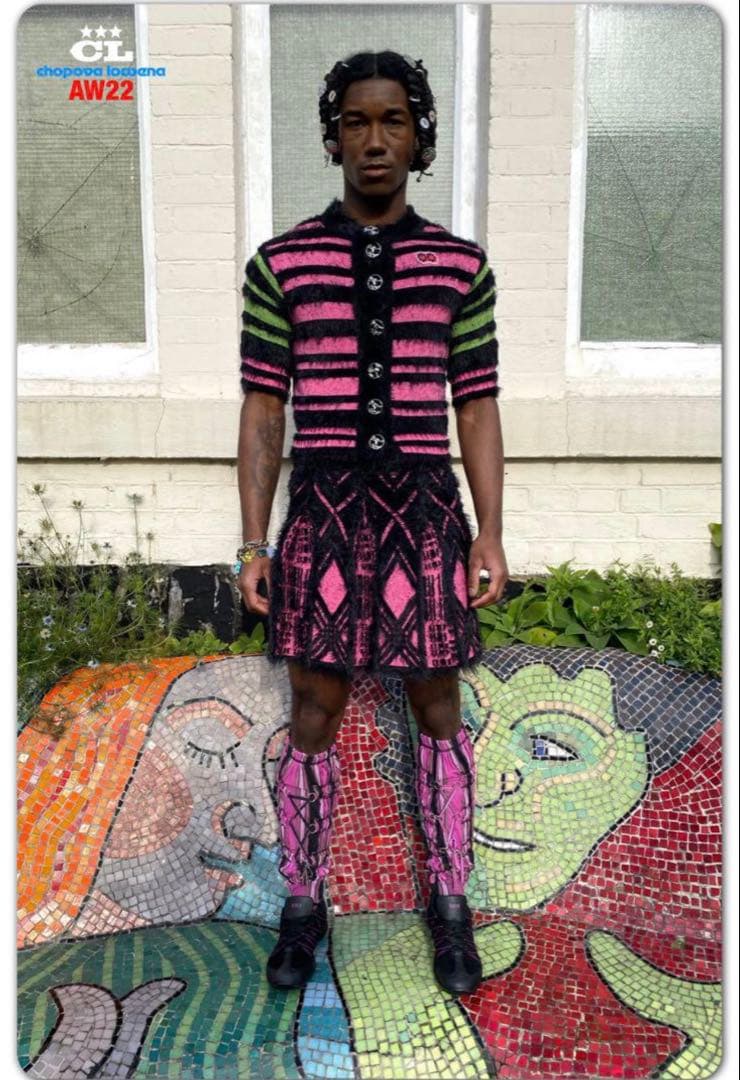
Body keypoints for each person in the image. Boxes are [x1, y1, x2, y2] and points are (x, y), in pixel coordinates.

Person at [235, 50, 507, 996]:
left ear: (420, 139)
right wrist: (255, 542)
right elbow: (264, 407)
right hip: (322, 510)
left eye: (394, 121)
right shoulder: (281, 264)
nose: (375, 139)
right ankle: (302, 903)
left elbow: (476, 401)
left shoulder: (461, 266)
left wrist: (489, 531)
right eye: (356, 121)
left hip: (425, 512)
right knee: (314, 709)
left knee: (438, 705)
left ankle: (450, 901)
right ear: (333, 138)